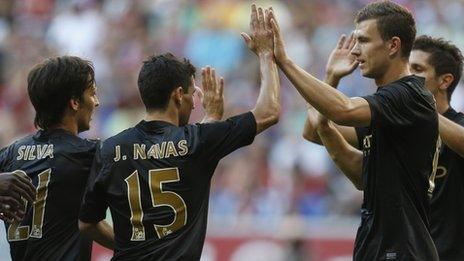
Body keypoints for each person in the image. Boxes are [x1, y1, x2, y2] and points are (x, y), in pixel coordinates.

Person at [78, 5, 280, 260]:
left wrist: (129, 250)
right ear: (177, 95)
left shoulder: (110, 148)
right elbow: (269, 111)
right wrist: (266, 54)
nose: (194, 102)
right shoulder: (199, 141)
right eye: (191, 93)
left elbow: (87, 223)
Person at [267, 1, 440, 260]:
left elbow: (343, 110)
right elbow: (314, 132)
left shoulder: (409, 95)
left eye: (364, 41)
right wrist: (331, 77)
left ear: (393, 45)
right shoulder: (386, 109)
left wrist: (285, 61)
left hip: (403, 248)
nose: (356, 51)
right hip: (376, 244)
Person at [0, 56, 114, 261]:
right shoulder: (89, 153)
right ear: (75, 102)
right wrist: (137, 247)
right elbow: (91, 223)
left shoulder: (10, 153)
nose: (97, 102)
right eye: (93, 94)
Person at [409, 35, 464, 260]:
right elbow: (313, 132)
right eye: (407, 68)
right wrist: (332, 77)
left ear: (445, 80)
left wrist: (424, 109)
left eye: (417, 69)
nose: (408, 76)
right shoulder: (397, 127)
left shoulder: (458, 125)